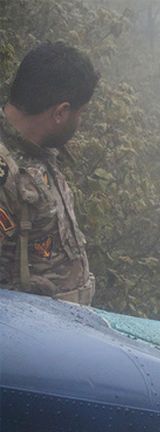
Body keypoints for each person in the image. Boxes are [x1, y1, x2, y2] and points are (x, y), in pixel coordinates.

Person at [0, 42, 99, 304]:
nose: (80, 122)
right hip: (24, 336)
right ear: (61, 112)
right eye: (80, 113)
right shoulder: (4, 173)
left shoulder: (39, 150)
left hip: (61, 331)